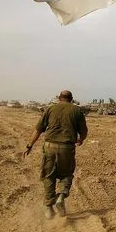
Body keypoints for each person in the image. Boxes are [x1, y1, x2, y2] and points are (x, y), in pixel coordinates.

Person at [23, 90, 88, 219]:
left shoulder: (50, 109)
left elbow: (38, 130)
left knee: (48, 176)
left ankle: (48, 207)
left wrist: (29, 145)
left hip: (50, 147)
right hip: (67, 148)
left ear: (59, 98)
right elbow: (84, 132)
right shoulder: (77, 111)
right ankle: (61, 197)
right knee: (67, 175)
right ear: (71, 99)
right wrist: (80, 140)